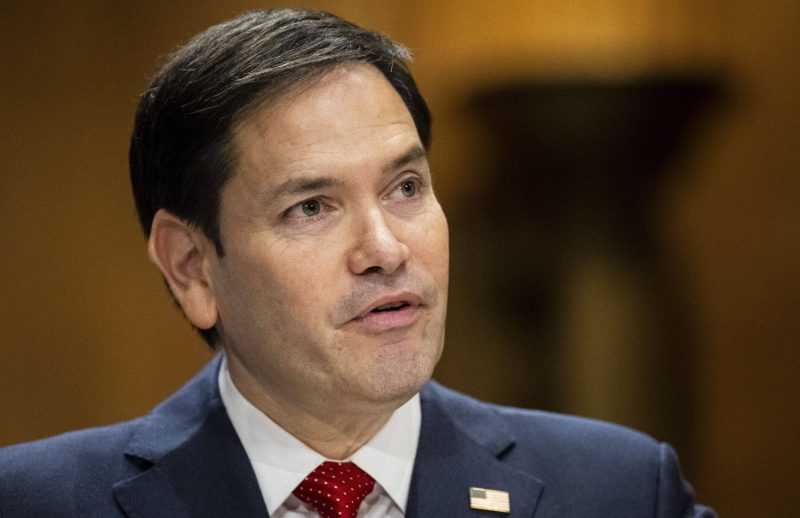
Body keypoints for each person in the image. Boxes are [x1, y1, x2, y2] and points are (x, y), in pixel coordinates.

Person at [0, 8, 714, 517]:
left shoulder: (619, 490)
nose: (386, 250)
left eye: (406, 188)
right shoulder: (36, 500)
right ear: (191, 267)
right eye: (311, 206)